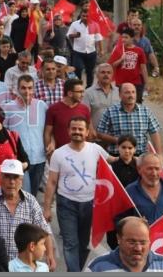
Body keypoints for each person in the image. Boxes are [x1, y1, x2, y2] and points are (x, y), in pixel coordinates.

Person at [43, 116, 112, 272]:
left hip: (90, 204)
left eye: (80, 129)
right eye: (73, 129)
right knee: (70, 243)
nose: (77, 132)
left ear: (87, 132)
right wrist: (47, 208)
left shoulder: (96, 149)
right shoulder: (58, 154)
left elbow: (113, 161)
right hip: (66, 204)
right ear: (68, 131)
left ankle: (75, 270)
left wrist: (135, 158)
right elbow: (52, 182)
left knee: (83, 244)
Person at [0, 160, 55, 268]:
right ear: (0, 178)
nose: (11, 182)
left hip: (22, 266)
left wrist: (50, 255)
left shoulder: (31, 201)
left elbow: (44, 230)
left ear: (21, 180)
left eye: (16, 177)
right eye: (7, 176)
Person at [0, 75, 47, 194]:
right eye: (24, 88)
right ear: (17, 89)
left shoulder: (42, 106)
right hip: (19, 159)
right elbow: (4, 133)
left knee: (34, 194)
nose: (27, 91)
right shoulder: (7, 108)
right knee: (21, 194)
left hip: (39, 157)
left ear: (34, 89)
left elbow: (48, 130)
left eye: (30, 88)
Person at [96, 83, 163, 156]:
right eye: (127, 92)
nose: (131, 95)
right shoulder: (110, 111)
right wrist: (117, 140)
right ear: (120, 95)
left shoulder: (146, 111)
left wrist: (159, 155)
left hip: (140, 157)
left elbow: (155, 133)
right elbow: (100, 133)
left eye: (133, 92)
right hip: (117, 157)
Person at [87, 216, 163, 272]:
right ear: (118, 239)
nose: (138, 248)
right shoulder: (97, 267)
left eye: (143, 242)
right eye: (132, 242)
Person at [122, 153, 163, 225]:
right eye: (150, 168)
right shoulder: (129, 191)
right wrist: (135, 223)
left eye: (157, 168)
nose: (154, 173)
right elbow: (120, 220)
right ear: (139, 169)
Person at [44, 78, 92, 154]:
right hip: (60, 154)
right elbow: (48, 133)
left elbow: (88, 132)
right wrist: (49, 151)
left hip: (81, 153)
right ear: (70, 93)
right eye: (79, 92)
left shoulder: (85, 109)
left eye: (83, 92)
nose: (82, 95)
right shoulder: (53, 109)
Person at [67, 0, 103, 87]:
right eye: (83, 15)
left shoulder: (95, 25)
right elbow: (68, 35)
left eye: (87, 16)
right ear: (81, 15)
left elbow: (98, 38)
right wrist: (75, 35)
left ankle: (89, 87)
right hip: (78, 51)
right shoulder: (75, 24)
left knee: (90, 71)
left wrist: (101, 50)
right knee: (78, 68)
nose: (85, 17)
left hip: (91, 52)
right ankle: (78, 84)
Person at [111, 28, 149, 101]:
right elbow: (112, 65)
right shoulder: (118, 49)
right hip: (121, 83)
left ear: (132, 38)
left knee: (136, 105)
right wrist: (120, 60)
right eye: (122, 37)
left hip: (135, 82)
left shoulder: (139, 51)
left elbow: (143, 68)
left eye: (126, 37)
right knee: (122, 105)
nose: (123, 39)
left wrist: (147, 83)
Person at [83, 63, 120, 131]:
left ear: (112, 75)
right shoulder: (88, 93)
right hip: (95, 136)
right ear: (97, 75)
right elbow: (84, 114)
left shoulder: (118, 92)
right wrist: (90, 130)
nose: (106, 75)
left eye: (109, 73)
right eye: (103, 72)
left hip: (115, 136)